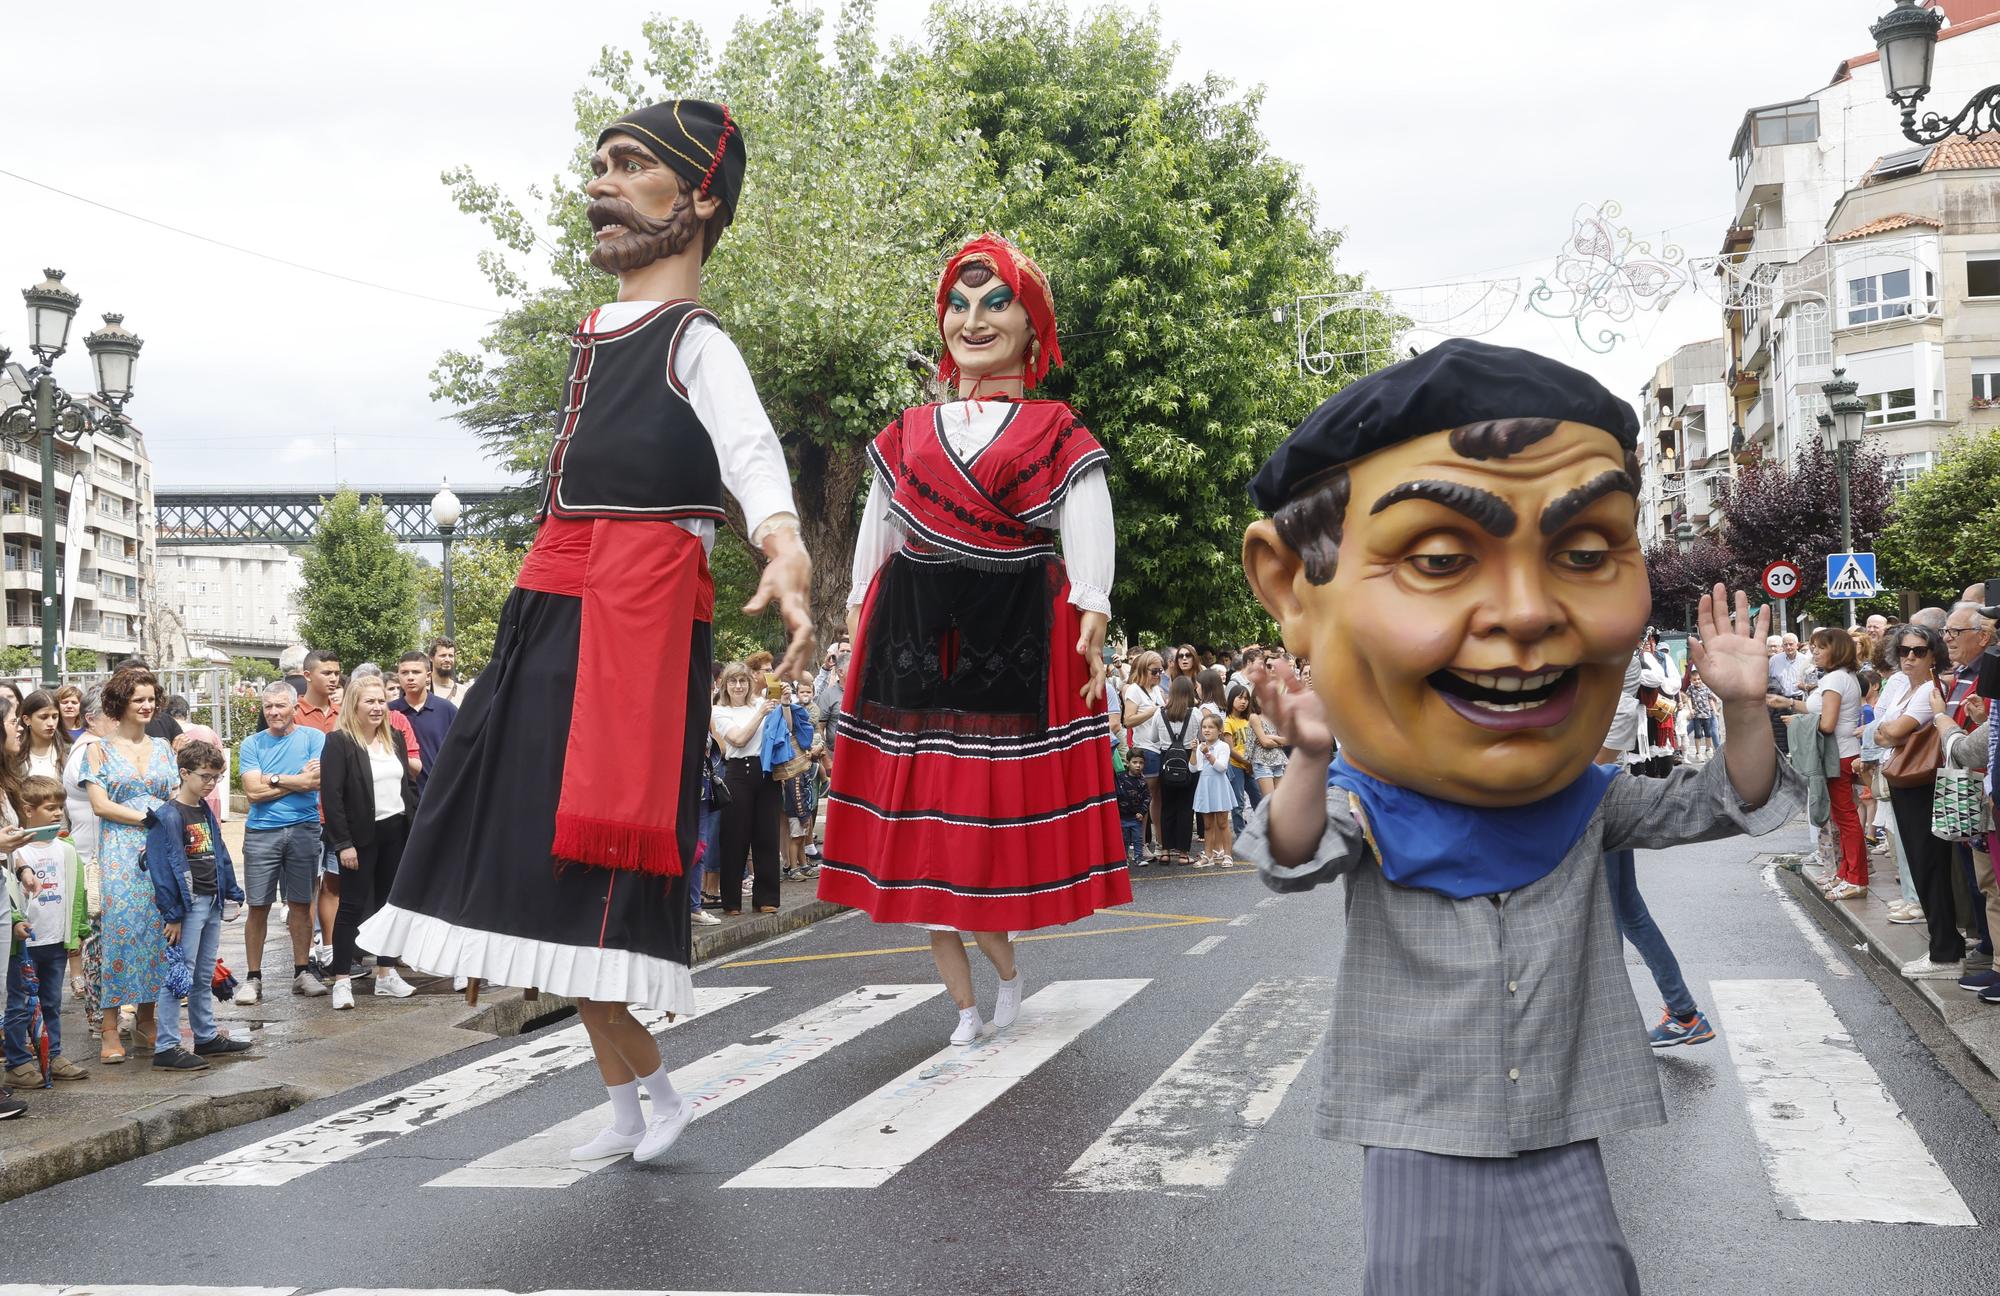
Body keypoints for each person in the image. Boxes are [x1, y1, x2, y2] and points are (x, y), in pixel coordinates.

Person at [1238, 339, 1799, 1292]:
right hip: (1420, 1120)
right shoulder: (1370, 809)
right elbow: (1291, 855)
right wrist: (1311, 756)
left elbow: (1728, 801)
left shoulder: (1583, 807)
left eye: (1583, 554)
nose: (1528, 613)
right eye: (1442, 557)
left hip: (1556, 1113)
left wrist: (1745, 706)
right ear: (1294, 587)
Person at [361, 99, 814, 1170]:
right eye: (597, 163)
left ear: (697, 197)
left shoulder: (694, 339)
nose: (599, 183)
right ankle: (633, 1095)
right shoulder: (594, 333)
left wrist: (784, 548)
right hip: (550, 601)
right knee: (522, 863)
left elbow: (750, 454)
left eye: (628, 165)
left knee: (590, 879)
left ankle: (647, 1088)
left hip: (635, 616)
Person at [821, 232, 1128, 1046]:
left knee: (991, 800)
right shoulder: (906, 432)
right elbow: (877, 527)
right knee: (930, 799)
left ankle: (1001, 973)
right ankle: (969, 1002)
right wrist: (857, 607)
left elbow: (1084, 513)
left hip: (1015, 613)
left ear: (1033, 325)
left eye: (996, 303)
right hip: (918, 622)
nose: (973, 318)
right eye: (959, 304)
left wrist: (1092, 602)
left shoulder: (1056, 429)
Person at [79, 665, 179, 1064]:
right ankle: (108, 1026)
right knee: (118, 933)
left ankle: (147, 1019)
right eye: (138, 699)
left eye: (151, 699)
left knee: (159, 930)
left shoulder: (161, 748)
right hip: (120, 850)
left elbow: (173, 794)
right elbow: (100, 805)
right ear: (119, 703)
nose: (146, 705)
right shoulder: (98, 748)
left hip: (160, 848)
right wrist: (148, 817)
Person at [144, 742, 251, 1071]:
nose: (210, 783)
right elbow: (162, 871)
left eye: (216, 777)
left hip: (211, 899)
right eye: (205, 776)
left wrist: (231, 890)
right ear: (184, 773)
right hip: (187, 907)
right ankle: (167, 1045)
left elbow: (219, 853)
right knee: (180, 975)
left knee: (203, 974)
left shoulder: (204, 811)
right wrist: (172, 914)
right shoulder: (166, 817)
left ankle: (204, 1035)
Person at [320, 675, 419, 1008]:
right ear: (354, 705)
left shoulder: (395, 738)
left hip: (396, 833)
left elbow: (408, 786)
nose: (378, 708)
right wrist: (343, 843)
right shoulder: (339, 742)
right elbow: (331, 798)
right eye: (370, 702)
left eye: (381, 701)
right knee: (350, 907)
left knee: (390, 907)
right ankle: (341, 981)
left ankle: (386, 973)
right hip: (360, 838)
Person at [235, 681, 327, 1003]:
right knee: (258, 906)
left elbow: (316, 780)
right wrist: (295, 781)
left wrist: (272, 777)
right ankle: (253, 978)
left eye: (280, 706)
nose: (274, 712)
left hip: (304, 829)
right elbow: (252, 793)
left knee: (301, 904)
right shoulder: (251, 744)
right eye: (268, 707)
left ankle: (302, 971)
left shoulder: (314, 738)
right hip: (262, 831)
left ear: (294, 706)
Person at [1878, 622, 1960, 978]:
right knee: (1922, 864)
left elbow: (1890, 731)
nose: (1910, 657)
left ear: (1933, 655)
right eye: (1904, 651)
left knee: (1929, 865)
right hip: (1905, 781)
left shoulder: (1930, 690)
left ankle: (1944, 953)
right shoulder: (1903, 689)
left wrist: (1889, 734)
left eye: (1919, 651)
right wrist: (1887, 734)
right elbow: (1881, 731)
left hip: (1921, 783)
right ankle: (1947, 944)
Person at [4, 776, 89, 1085]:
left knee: (52, 1002)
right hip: (24, 944)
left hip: (55, 940)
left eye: (60, 808)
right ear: (28, 810)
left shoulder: (65, 849)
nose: (57, 814)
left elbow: (76, 894)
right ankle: (18, 1062)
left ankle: (52, 1054)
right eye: (50, 808)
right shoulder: (18, 852)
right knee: (20, 1003)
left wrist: (76, 932)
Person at [1773, 628, 1866, 899]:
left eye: (1820, 647)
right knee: (1842, 817)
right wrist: (1790, 703)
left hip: (1839, 755)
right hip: (1842, 753)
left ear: (1836, 650)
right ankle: (1846, 874)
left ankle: (1856, 878)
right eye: (1812, 647)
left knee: (1846, 819)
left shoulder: (1835, 679)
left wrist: (1797, 722)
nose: (1813, 652)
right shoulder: (1841, 676)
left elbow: (1826, 724)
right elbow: (1819, 712)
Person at [711, 662, 781, 914]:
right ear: (725, 685)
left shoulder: (759, 703)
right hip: (738, 771)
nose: (738, 686)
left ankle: (767, 898)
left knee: (767, 836)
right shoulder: (718, 711)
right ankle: (731, 901)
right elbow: (738, 739)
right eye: (733, 681)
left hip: (765, 771)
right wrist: (761, 713)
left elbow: (788, 727)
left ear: (749, 682)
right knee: (734, 837)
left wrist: (782, 701)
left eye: (742, 681)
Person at [1122, 650, 1167, 861]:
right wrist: (1152, 711)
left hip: (1160, 747)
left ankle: (1158, 842)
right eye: (1155, 670)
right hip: (1146, 748)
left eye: (1161, 670)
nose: (1159, 674)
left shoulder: (1155, 689)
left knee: (1156, 799)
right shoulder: (1134, 690)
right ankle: (1141, 845)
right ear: (1143, 670)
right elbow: (1127, 720)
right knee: (1146, 800)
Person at [1191, 712, 1235, 868]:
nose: (1207, 730)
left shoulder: (1223, 746)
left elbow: (1221, 768)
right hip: (1205, 785)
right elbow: (1193, 768)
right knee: (1207, 825)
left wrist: (1207, 753)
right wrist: (1193, 751)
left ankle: (1227, 855)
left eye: (1211, 727)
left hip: (1219, 785)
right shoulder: (1201, 746)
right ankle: (1208, 855)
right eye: (1204, 727)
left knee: (1223, 823)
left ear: (1219, 730)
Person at [1683, 666, 1718, 762]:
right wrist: (1691, 709)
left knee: (1708, 734)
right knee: (1698, 735)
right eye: (1694, 680)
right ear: (1691, 680)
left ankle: (1708, 749)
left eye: (1699, 679)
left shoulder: (1706, 688)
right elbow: (1688, 699)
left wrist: (1715, 711)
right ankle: (1698, 753)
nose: (1697, 681)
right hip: (1697, 716)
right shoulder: (1690, 688)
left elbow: (1710, 699)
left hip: (1707, 715)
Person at [429, 638, 471, 704]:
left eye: (451, 656)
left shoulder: (463, 692)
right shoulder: (422, 689)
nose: (447, 659)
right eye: (443, 655)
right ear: (431, 657)